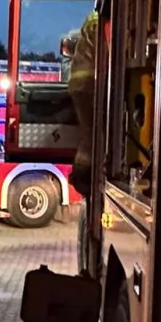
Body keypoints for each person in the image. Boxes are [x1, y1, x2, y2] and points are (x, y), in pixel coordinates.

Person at [68, 11, 99, 199]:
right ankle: (85, 178)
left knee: (88, 132)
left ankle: (82, 177)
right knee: (97, 132)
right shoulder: (104, 17)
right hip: (90, 82)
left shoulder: (92, 18)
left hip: (80, 83)